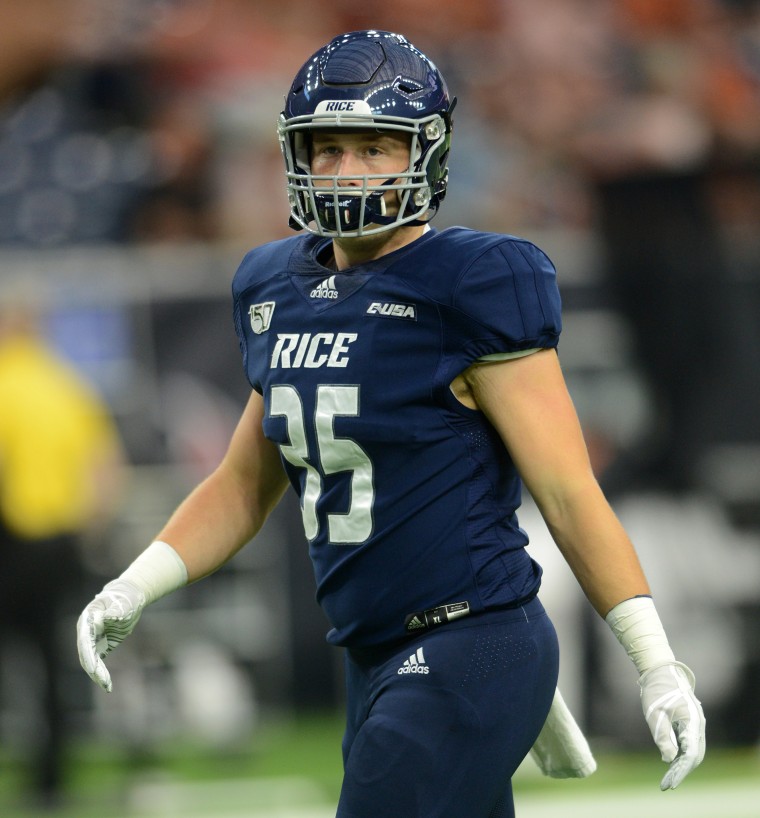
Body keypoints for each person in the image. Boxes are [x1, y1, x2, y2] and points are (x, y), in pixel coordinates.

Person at [76, 30, 706, 818]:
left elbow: (569, 494)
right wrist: (134, 586)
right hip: (372, 656)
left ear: (427, 154)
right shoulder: (275, 285)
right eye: (327, 149)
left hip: (470, 643)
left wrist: (655, 662)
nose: (347, 172)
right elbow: (243, 484)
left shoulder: (471, 280)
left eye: (374, 148)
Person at [0, 295, 125, 806]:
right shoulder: (68, 385)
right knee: (54, 662)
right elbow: (105, 470)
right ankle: (51, 779)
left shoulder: (6, 383)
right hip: (62, 544)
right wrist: (90, 532)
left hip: (11, 540)